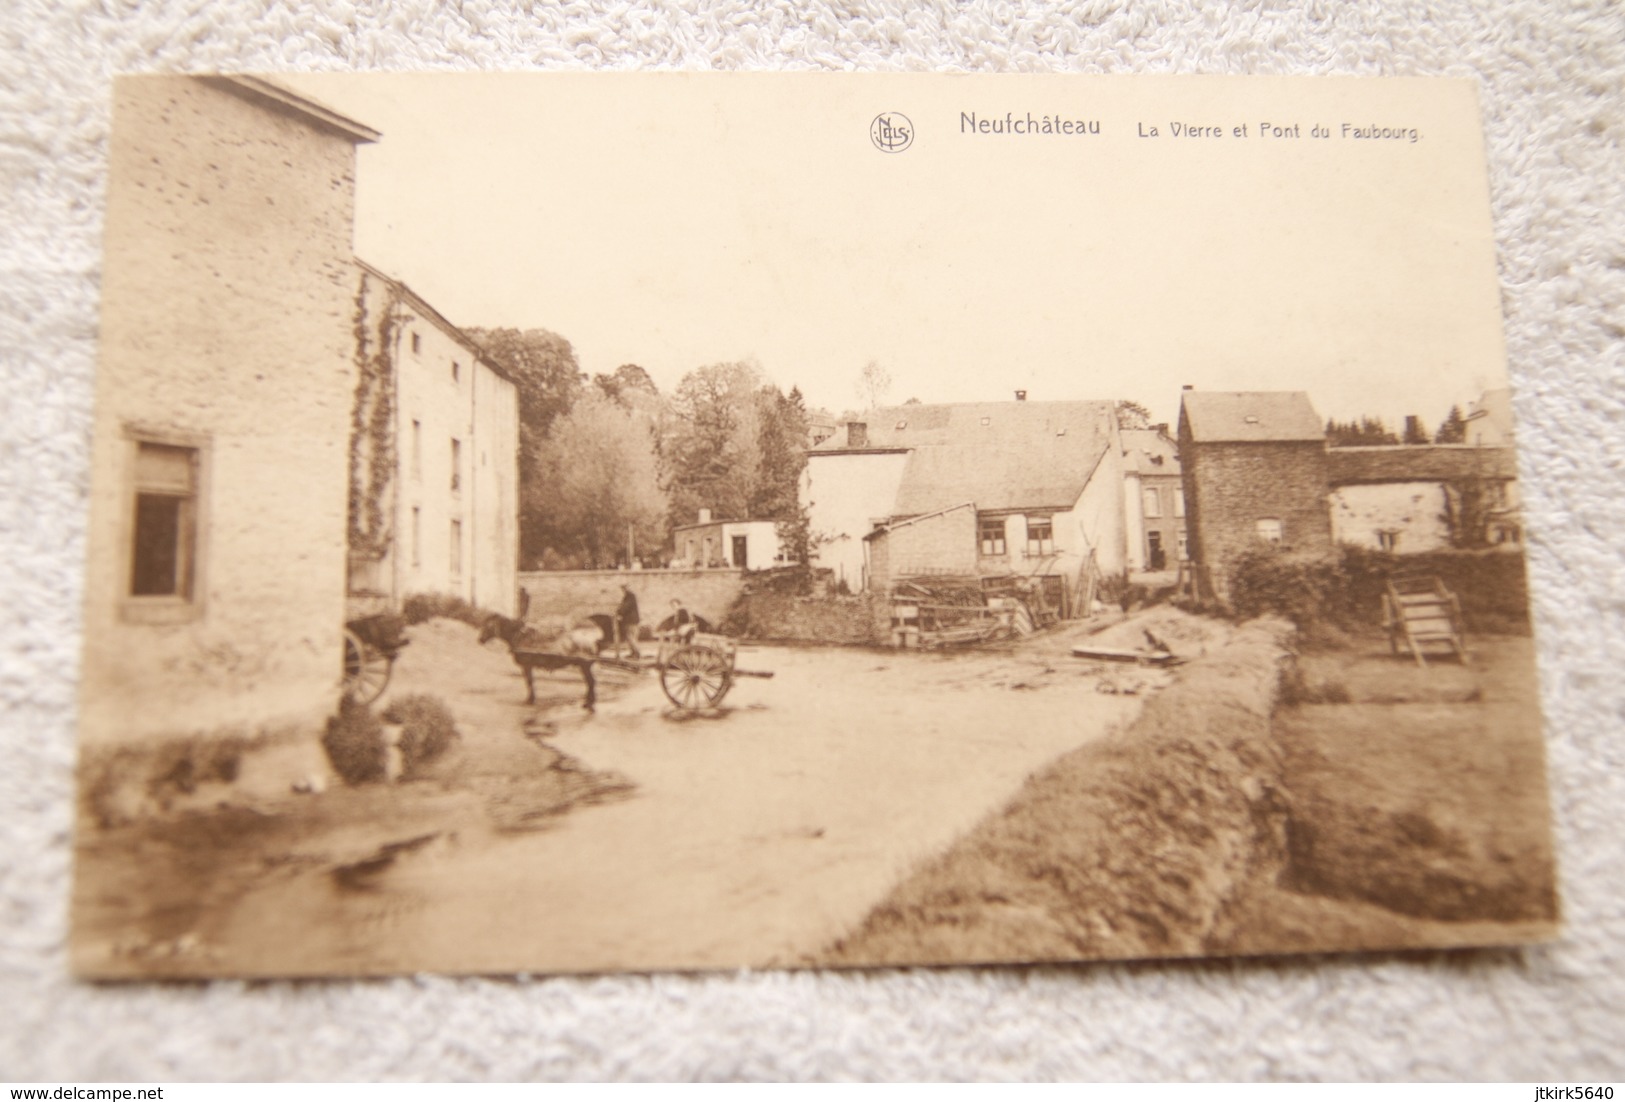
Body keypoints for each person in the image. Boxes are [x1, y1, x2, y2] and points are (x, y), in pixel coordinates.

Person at [616, 583, 642, 659]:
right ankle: (633, 653)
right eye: (623, 588)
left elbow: (625, 607)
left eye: (624, 588)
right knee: (630, 637)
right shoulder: (628, 596)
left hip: (631, 621)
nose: (623, 590)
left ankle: (636, 654)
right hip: (630, 621)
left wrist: (618, 612)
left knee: (631, 637)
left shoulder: (630, 596)